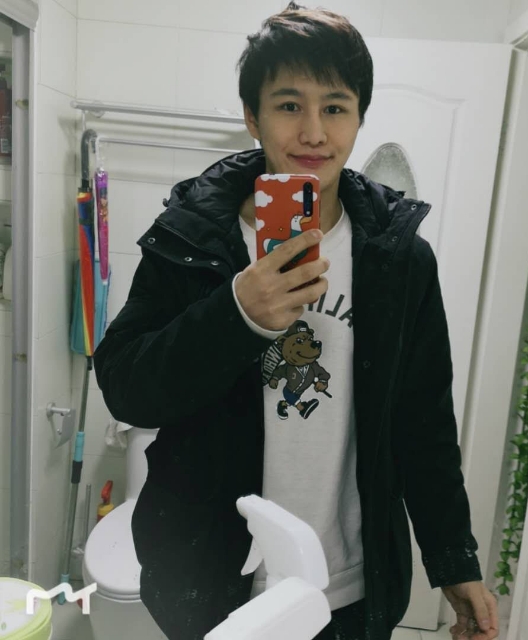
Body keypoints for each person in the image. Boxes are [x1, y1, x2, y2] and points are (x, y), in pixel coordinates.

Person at [93, 3, 499, 639]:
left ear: (359, 117)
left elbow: (423, 422)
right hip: (212, 577)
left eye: (335, 107)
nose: (313, 132)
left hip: (348, 581)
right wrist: (235, 314)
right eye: (289, 105)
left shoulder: (398, 258)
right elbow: (125, 388)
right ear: (252, 115)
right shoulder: (190, 237)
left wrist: (453, 559)